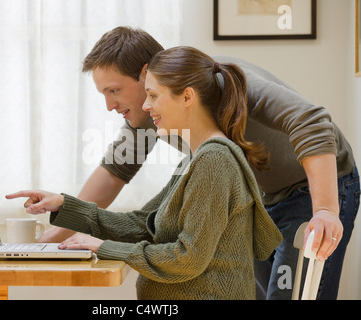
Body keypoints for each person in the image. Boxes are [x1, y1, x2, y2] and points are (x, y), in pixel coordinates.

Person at [23, 27, 359, 300]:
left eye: (114, 90)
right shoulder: (152, 123)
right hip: (262, 197)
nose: (110, 105)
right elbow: (114, 176)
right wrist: (50, 239)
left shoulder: (216, 88)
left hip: (310, 188)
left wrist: (326, 209)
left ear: (147, 76)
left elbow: (311, 120)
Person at [6, 46, 283, 300]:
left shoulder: (214, 161)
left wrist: (103, 247)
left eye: (153, 96)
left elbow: (188, 257)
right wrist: (65, 204)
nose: (147, 106)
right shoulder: (195, 159)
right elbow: (142, 224)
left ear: (187, 97)